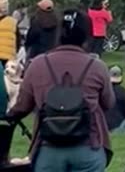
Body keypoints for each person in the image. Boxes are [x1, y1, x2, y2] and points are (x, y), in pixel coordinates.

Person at [10, 9, 115, 172]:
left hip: (48, 147)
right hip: (88, 146)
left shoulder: (37, 65)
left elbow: (23, 106)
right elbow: (108, 103)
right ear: (87, 35)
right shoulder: (96, 67)